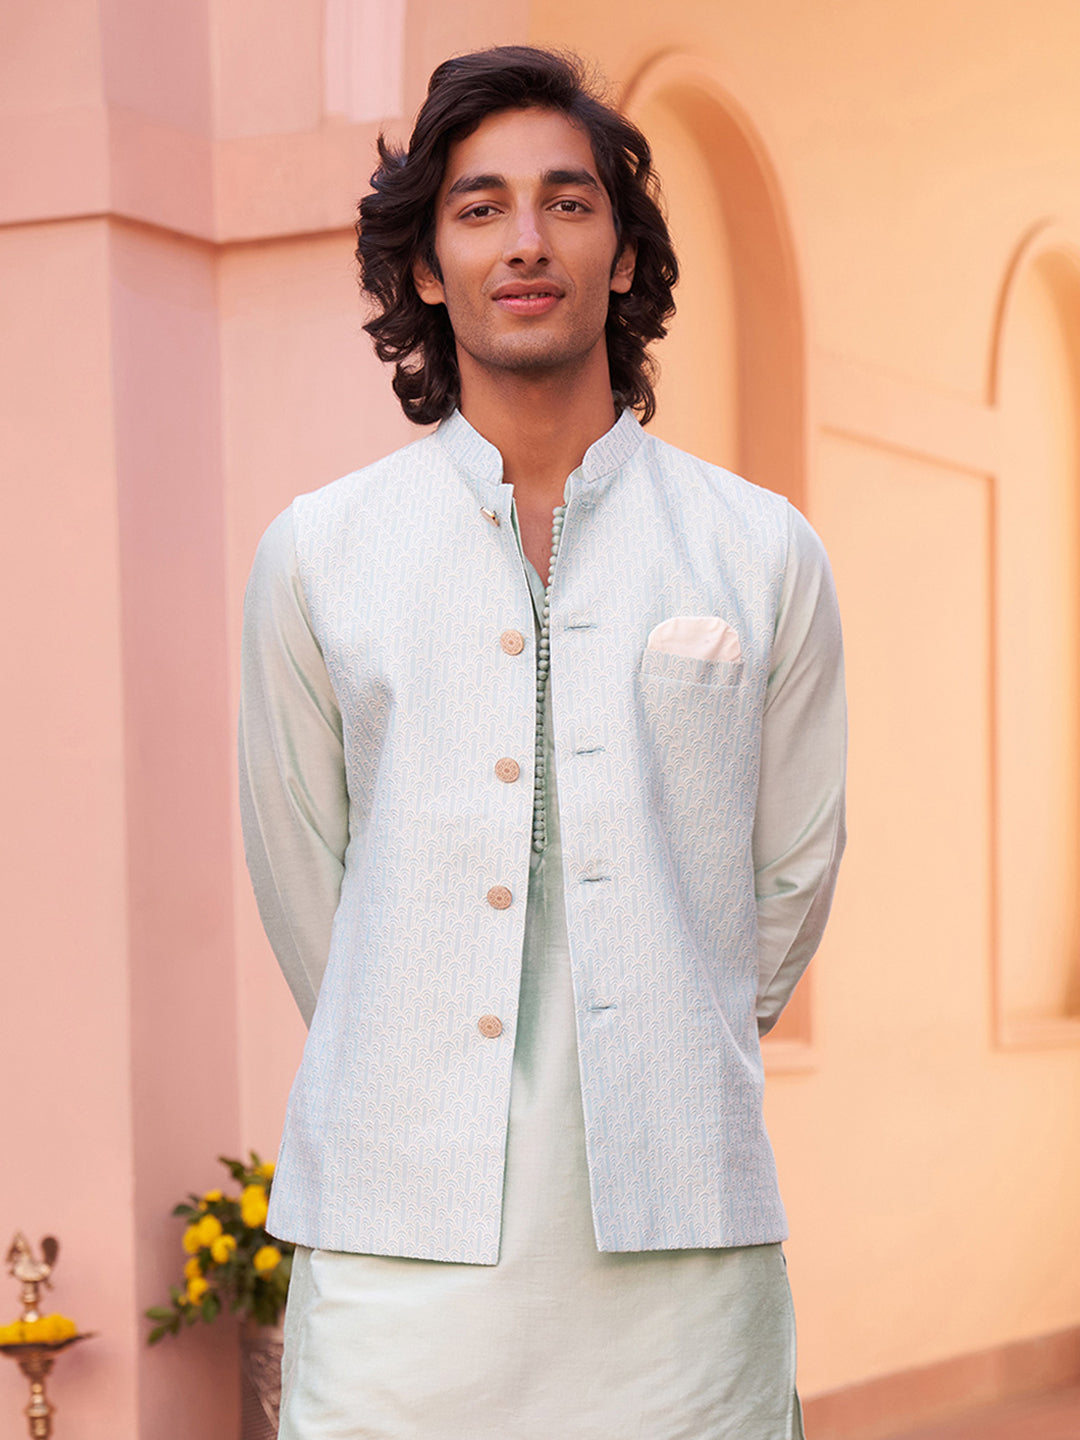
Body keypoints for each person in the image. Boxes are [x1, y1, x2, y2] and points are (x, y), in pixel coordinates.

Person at [239, 44, 846, 1440]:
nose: (527, 240)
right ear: (426, 266)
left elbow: (793, 872)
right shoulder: (322, 554)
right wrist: (414, 1037)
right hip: (396, 1254)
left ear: (622, 257)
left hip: (684, 1257)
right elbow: (306, 882)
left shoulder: (758, 550)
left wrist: (672, 1034)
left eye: (568, 203)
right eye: (480, 207)